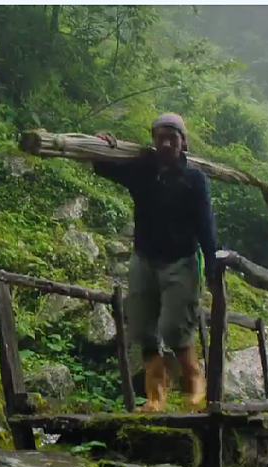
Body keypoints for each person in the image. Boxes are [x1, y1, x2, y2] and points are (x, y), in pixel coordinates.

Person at [91, 113, 219, 412]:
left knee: (176, 327)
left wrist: (212, 266)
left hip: (181, 261)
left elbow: (205, 225)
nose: (165, 143)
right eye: (160, 137)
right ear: (153, 140)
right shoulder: (142, 170)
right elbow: (106, 169)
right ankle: (155, 398)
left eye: (172, 137)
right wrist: (103, 145)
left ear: (182, 142)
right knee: (144, 329)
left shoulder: (194, 179)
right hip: (144, 259)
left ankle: (194, 384)